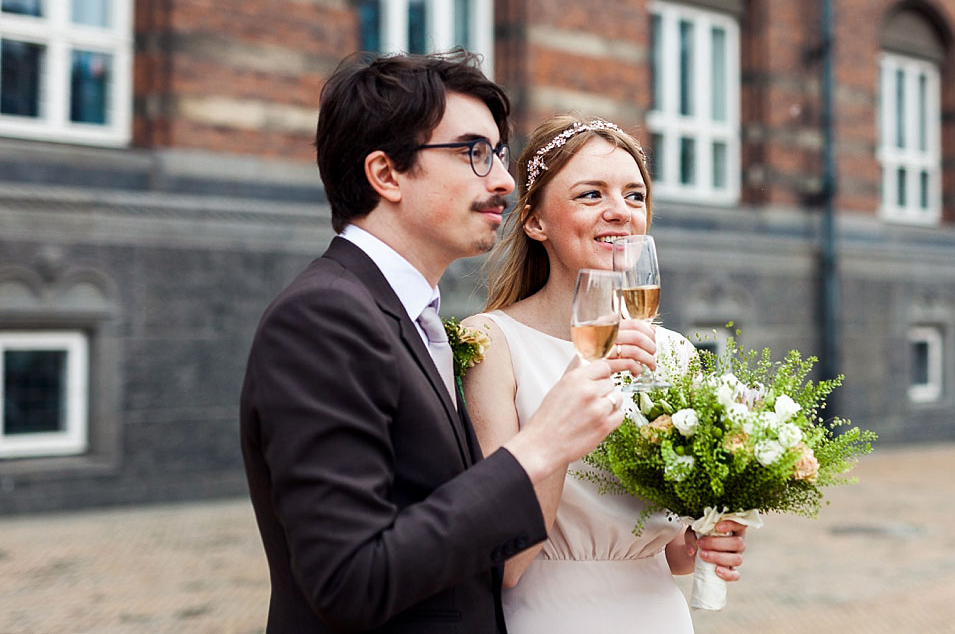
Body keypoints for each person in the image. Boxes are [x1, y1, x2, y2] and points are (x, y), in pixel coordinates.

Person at [239, 53, 651, 633]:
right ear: (386, 175)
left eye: (500, 155)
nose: (505, 181)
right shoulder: (322, 316)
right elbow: (347, 579)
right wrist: (539, 447)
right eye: (474, 153)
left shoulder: (414, 318)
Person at [462, 115, 748, 633]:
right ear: (535, 222)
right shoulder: (491, 342)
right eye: (591, 194)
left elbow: (667, 551)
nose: (620, 212)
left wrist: (701, 541)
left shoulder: (675, 353)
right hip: (548, 616)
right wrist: (571, 403)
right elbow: (506, 562)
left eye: (635, 196)